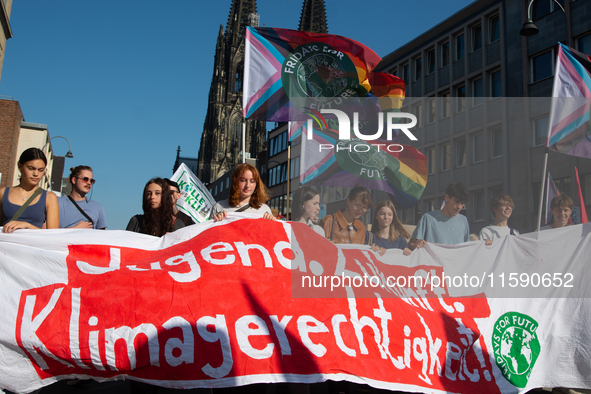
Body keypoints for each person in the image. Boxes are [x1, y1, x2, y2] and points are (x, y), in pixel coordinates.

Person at [0, 148, 59, 233]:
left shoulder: (49, 197)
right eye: (31, 168)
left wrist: (28, 226)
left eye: (40, 170)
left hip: (33, 245)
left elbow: (53, 235)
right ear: (20, 166)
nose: (36, 174)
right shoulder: (3, 193)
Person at [409, 181, 470, 249]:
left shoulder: (463, 220)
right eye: (457, 202)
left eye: (462, 203)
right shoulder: (428, 218)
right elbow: (411, 244)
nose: (459, 206)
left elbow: (468, 247)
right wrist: (416, 245)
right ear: (447, 198)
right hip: (432, 259)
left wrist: (483, 245)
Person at [210, 163, 275, 221]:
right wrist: (215, 221)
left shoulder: (264, 210)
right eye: (243, 180)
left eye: (252, 181)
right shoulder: (219, 207)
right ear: (235, 182)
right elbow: (209, 233)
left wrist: (272, 222)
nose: (247, 185)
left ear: (256, 185)